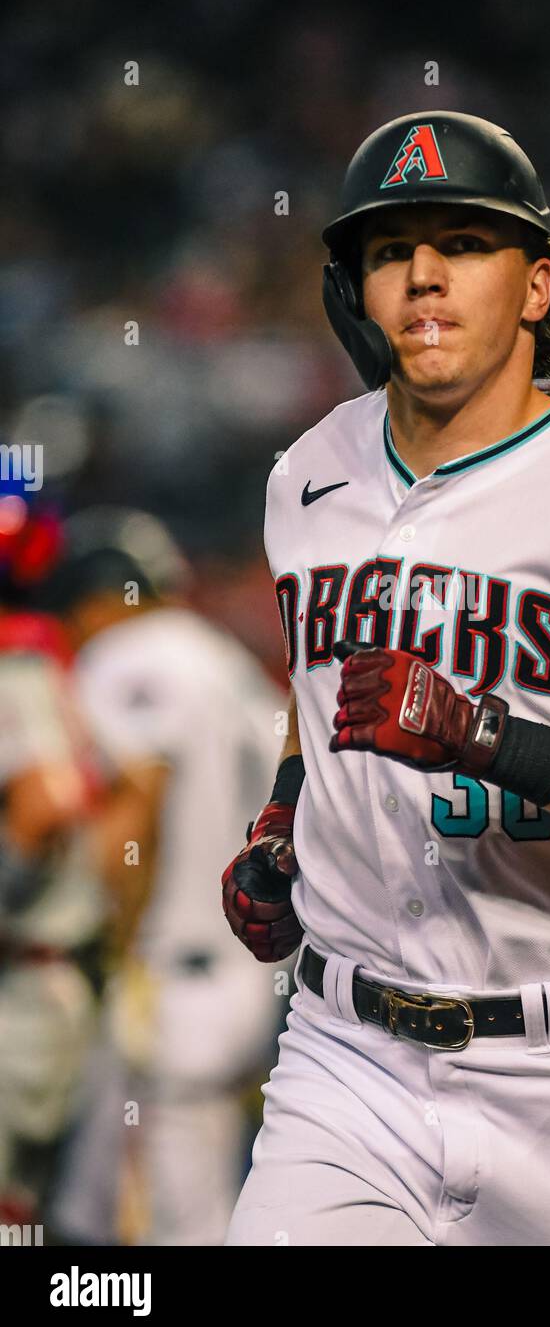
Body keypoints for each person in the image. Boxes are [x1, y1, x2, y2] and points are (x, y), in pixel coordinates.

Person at [222, 111, 550, 1247]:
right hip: (346, 1060)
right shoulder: (306, 473)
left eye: (461, 241)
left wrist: (484, 736)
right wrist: (285, 814)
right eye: (387, 249)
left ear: (532, 286)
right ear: (353, 291)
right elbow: (319, 685)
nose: (421, 274)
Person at [44, 508, 290, 1246]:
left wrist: (117, 946)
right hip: (243, 972)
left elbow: (139, 805)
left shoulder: (128, 656)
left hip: (163, 980)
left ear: (96, 599)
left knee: (170, 1228)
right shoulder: (222, 660)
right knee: (111, 1208)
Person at [0, 484, 104, 1226]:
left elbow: (43, 807)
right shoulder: (42, 652)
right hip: (49, 973)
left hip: (26, 982)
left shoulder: (14, 667)